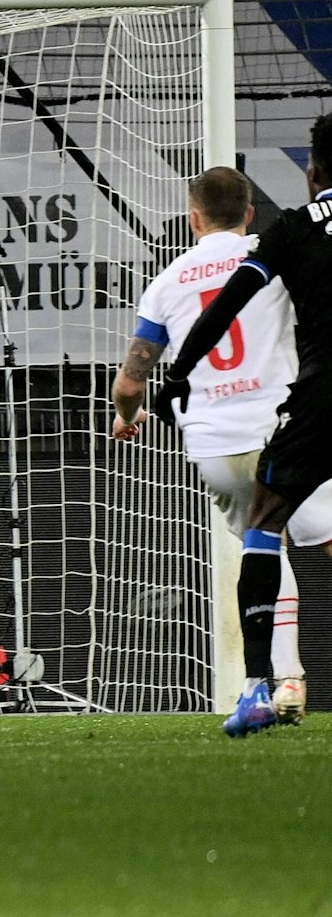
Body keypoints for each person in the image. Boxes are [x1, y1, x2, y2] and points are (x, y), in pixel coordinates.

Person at [110, 167, 326, 729]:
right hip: (285, 426)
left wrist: (125, 417)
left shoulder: (166, 282)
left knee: (262, 547)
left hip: (215, 444)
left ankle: (282, 681)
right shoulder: (273, 252)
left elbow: (131, 383)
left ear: (193, 218)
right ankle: (289, 682)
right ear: (251, 213)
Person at [160, 115, 332, 736]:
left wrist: (176, 376)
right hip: (285, 412)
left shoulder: (292, 231)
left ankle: (264, 685)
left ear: (314, 172)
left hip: (301, 409)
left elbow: (228, 305)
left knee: (264, 529)